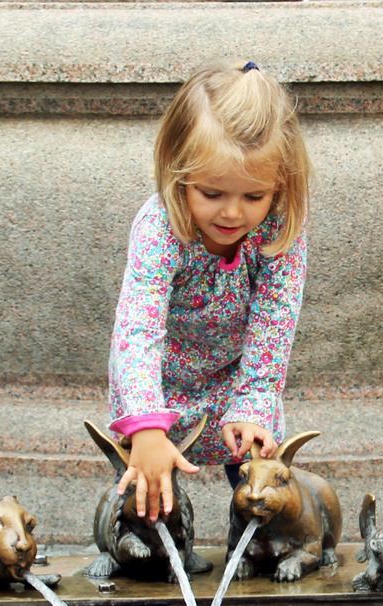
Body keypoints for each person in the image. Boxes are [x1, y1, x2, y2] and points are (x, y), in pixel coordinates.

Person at [106, 59, 312, 522]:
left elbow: (274, 322)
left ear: (279, 187)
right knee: (148, 498)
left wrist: (254, 403)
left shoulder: (280, 228)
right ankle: (151, 553)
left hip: (237, 377)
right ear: (179, 174)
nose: (233, 213)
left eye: (253, 196)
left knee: (262, 487)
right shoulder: (161, 228)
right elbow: (138, 329)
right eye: (212, 193)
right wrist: (145, 423)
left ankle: (256, 559)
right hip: (158, 383)